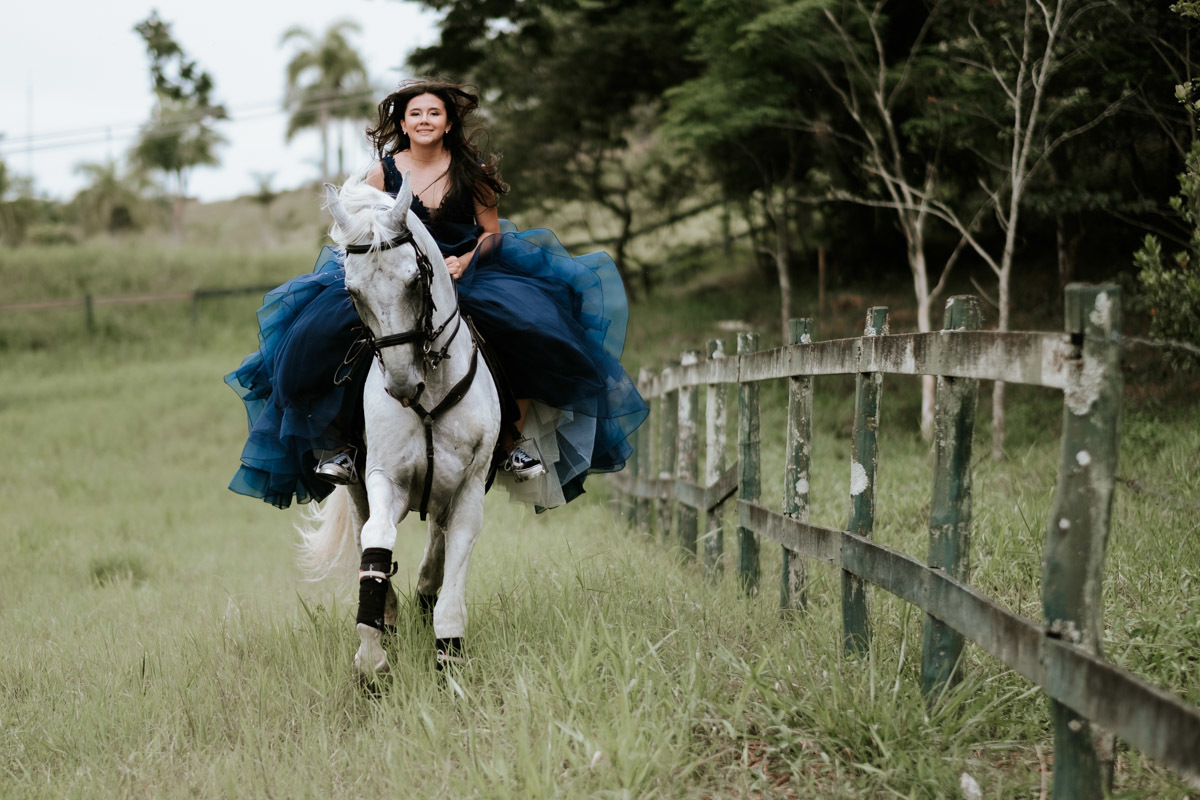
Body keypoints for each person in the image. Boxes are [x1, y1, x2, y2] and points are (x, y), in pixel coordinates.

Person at [226, 79, 647, 510]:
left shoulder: (472, 172)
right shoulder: (381, 173)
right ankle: (344, 445)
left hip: (465, 272)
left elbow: (491, 234)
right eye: (416, 114)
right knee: (321, 336)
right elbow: (362, 233)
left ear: (447, 123)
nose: (425, 120)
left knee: (531, 326)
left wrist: (465, 262)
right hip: (395, 275)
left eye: (434, 113)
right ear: (403, 124)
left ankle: (509, 441)